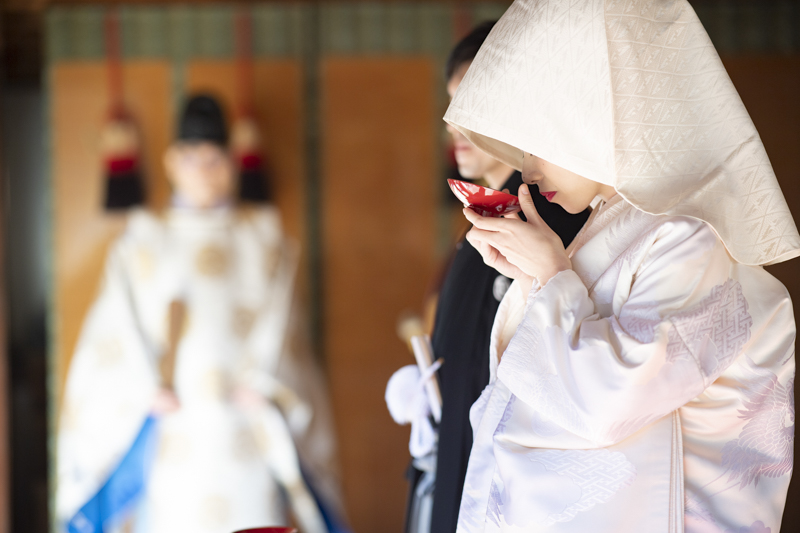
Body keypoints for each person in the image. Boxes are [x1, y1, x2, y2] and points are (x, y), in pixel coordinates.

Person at [444, 1, 799, 532]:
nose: (528, 170)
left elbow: (610, 405)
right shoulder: (617, 224)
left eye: (539, 146)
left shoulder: (690, 237)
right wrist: (537, 278)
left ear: (593, 123)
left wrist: (552, 276)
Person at [56, 95, 344, 533]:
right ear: (172, 162)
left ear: (232, 163)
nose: (204, 171)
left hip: (245, 430)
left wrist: (268, 381)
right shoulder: (141, 242)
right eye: (192, 159)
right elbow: (112, 338)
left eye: (215, 159)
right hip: (173, 432)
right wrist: (144, 388)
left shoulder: (264, 238)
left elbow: (286, 335)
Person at [387, 22, 590, 533]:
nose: (455, 126)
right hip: (456, 434)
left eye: (472, 106)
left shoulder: (552, 215)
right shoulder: (490, 212)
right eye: (451, 108)